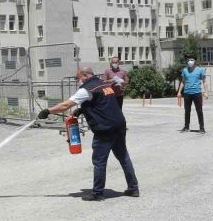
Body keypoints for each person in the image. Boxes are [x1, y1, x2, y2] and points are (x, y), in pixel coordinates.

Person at [38, 66, 139, 201]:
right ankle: (133, 188)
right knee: (123, 157)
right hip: (119, 124)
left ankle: (97, 193)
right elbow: (102, 103)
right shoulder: (103, 84)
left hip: (105, 128)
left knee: (99, 161)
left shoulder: (87, 89)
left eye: (78, 77)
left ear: (84, 75)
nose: (78, 80)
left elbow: (65, 105)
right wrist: (82, 110)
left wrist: (48, 111)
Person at [176, 56, 207, 133]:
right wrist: (179, 92)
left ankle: (202, 128)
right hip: (187, 93)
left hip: (197, 93)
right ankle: (186, 127)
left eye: (192, 60)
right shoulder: (185, 70)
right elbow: (183, 81)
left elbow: (204, 81)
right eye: (189, 60)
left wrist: (206, 92)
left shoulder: (200, 70)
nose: (190, 61)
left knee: (199, 110)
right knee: (187, 111)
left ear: (195, 61)